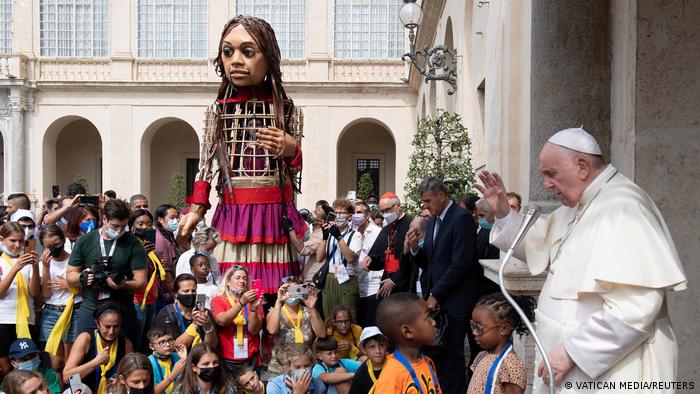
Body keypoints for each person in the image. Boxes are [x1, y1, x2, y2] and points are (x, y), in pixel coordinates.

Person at [475, 127, 687, 393]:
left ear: (582, 167)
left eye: (551, 174)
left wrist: (571, 352)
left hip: (611, 368)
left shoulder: (624, 207)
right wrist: (504, 213)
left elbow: (635, 308)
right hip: (575, 366)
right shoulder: (581, 205)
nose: (546, 184)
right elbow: (540, 246)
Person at [181, 15, 306, 296]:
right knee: (232, 289)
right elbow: (206, 162)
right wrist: (196, 207)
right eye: (228, 52)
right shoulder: (219, 110)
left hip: (274, 213)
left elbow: (294, 170)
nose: (235, 60)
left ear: (268, 57)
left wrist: (291, 149)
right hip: (234, 212)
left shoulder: (286, 110)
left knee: (277, 293)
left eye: (247, 52)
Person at [406, 177, 480, 393]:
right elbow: (430, 261)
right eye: (423, 203)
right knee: (437, 353)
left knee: (453, 356)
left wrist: (435, 295)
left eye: (428, 201)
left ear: (442, 195)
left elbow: (461, 264)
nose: (425, 207)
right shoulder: (434, 221)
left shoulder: (461, 218)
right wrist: (414, 249)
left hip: (456, 301)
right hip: (438, 303)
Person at [66, 199, 147, 345]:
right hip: (90, 308)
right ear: (104, 219)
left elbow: (141, 282)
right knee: (85, 354)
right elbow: (70, 276)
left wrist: (122, 284)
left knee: (124, 359)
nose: (119, 231)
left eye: (124, 226)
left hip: (122, 310)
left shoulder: (133, 244)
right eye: (115, 226)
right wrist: (83, 277)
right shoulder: (85, 241)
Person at [467, 293, 534, 394]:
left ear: (505, 329)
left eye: (479, 327)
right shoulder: (482, 356)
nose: (474, 332)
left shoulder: (510, 366)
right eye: (473, 325)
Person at [374, 293, 441, 394]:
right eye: (428, 317)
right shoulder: (391, 377)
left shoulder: (427, 362)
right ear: (407, 332)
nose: (434, 322)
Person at [39, 225, 82, 377]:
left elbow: (85, 287)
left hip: (73, 310)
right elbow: (46, 294)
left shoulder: (74, 260)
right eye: (48, 246)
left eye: (56, 244)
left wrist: (69, 284)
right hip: (51, 312)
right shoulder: (43, 264)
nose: (53, 249)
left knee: (70, 363)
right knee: (56, 364)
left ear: (64, 240)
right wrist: (45, 268)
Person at [63, 302, 134, 394]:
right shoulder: (85, 339)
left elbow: (131, 375)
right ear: (97, 324)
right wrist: (95, 362)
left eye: (116, 326)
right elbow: (66, 377)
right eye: (107, 327)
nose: (111, 331)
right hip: (84, 390)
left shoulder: (126, 344)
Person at [0, 222, 40, 375]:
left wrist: (35, 268)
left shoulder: (27, 261)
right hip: (3, 319)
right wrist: (15, 268)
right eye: (12, 241)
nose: (17, 245)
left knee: (25, 365)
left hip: (25, 319)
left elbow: (35, 292)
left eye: (21, 241)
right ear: (2, 240)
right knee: (6, 367)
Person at [266, 278, 326, 375]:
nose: (292, 293)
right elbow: (272, 330)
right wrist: (278, 302)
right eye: (288, 290)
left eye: (296, 289)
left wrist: (312, 309)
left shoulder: (309, 312)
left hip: (305, 367)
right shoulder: (275, 312)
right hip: (280, 369)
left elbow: (322, 334)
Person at [365, 193, 416, 306]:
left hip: (404, 281)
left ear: (398, 205)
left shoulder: (410, 225)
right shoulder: (387, 228)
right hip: (387, 277)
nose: (385, 214)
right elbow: (379, 255)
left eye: (388, 209)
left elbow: (412, 260)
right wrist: (370, 259)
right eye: (382, 211)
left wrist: (394, 280)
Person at [211, 266, 264, 371]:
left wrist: (253, 310)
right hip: (226, 359)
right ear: (228, 282)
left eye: (245, 278)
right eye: (238, 277)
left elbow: (254, 330)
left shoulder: (255, 301)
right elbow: (222, 321)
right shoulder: (218, 300)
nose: (242, 281)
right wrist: (241, 303)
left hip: (250, 359)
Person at [316, 198, 362, 319]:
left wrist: (339, 237)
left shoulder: (355, 235)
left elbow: (350, 257)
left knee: (347, 317)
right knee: (329, 317)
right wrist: (325, 237)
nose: (338, 216)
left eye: (342, 213)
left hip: (347, 277)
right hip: (330, 277)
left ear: (350, 216)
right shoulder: (330, 234)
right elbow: (319, 258)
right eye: (336, 213)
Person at [129, 209, 164, 352]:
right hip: (137, 300)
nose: (145, 227)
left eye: (149, 224)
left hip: (151, 299)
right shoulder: (131, 245)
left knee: (147, 340)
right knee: (136, 339)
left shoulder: (151, 249)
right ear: (132, 226)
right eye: (140, 224)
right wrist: (141, 254)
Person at [154, 274, 217, 350]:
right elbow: (174, 347)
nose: (190, 294)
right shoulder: (165, 315)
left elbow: (212, 345)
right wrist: (195, 324)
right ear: (176, 294)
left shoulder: (205, 313)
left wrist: (208, 326)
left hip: (201, 358)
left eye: (193, 291)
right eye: (186, 291)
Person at [352, 201, 382, 328]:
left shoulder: (378, 232)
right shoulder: (351, 232)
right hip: (355, 286)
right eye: (353, 212)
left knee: (371, 325)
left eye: (359, 212)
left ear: (367, 215)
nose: (355, 215)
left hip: (372, 287)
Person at [146, 327, 187, 394]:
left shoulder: (177, 356)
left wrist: (184, 358)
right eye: (162, 342)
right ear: (151, 346)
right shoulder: (148, 363)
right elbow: (153, 392)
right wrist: (173, 374)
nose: (168, 345)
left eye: (170, 340)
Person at [154, 204, 180, 306]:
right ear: (160, 219)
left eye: (177, 218)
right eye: (172, 218)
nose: (176, 221)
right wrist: (171, 289)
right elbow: (165, 269)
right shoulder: (160, 238)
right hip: (166, 291)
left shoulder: (168, 236)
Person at [349, 327, 388, 394]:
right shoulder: (361, 374)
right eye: (372, 347)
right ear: (364, 350)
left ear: (386, 346)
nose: (378, 351)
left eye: (381, 345)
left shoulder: (395, 365)